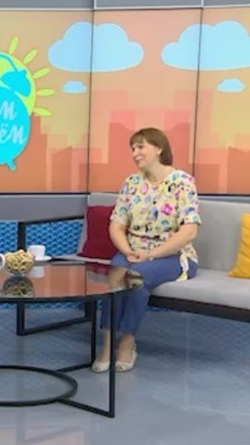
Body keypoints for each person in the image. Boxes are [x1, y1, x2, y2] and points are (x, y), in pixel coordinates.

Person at [92, 127, 201, 373]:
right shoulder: (131, 183)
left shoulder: (183, 182)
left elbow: (189, 231)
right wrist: (127, 250)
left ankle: (127, 343)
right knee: (116, 272)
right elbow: (116, 225)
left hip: (173, 255)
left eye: (141, 147)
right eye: (133, 148)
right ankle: (107, 345)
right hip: (133, 251)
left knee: (136, 277)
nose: (135, 153)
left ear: (159, 148)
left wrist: (152, 254)